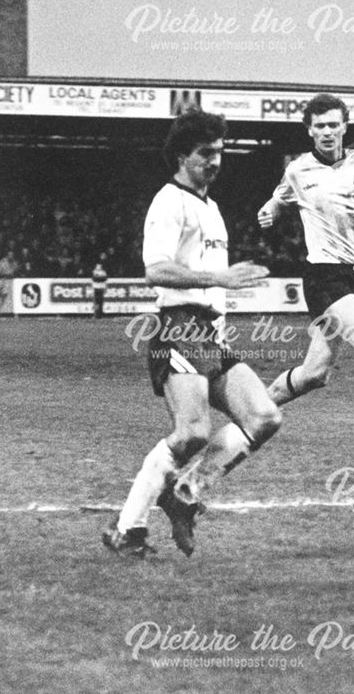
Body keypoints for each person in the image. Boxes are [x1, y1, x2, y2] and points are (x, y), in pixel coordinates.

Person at [103, 109, 282, 558]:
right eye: (206, 153)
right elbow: (156, 271)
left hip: (211, 333)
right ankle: (128, 531)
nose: (215, 161)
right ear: (183, 155)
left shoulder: (211, 207)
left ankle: (184, 493)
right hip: (180, 326)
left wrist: (219, 291)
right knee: (192, 434)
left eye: (220, 152)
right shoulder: (169, 201)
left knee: (264, 418)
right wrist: (219, 280)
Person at [257, 93, 354, 476]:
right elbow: (278, 199)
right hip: (323, 275)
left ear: (344, 127)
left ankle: (255, 409)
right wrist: (268, 211)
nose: (327, 132)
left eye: (334, 124)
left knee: (314, 373)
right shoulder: (299, 170)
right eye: (319, 126)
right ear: (309, 131)